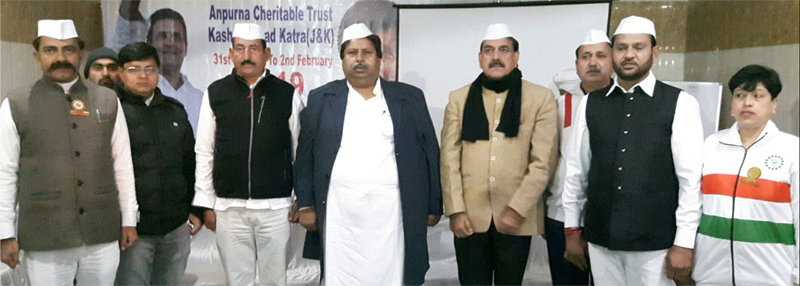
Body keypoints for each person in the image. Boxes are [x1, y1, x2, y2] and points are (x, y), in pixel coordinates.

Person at [295, 23, 442, 286]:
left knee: (394, 275)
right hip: (340, 212)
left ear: (378, 58)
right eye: (352, 53)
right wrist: (305, 204)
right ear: (342, 59)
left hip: (392, 212)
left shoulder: (408, 97)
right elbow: (305, 156)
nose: (359, 59)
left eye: (366, 53)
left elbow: (430, 151)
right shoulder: (321, 98)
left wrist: (434, 205)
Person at [562, 15, 704, 285]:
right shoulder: (592, 103)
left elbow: (691, 180)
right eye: (621, 48)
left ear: (655, 53)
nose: (629, 55)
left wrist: (684, 243)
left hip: (657, 246)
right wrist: (572, 231)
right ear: (612, 53)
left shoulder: (679, 103)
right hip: (601, 240)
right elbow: (576, 172)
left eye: (638, 47)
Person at [0, 19, 138, 285]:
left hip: (101, 231)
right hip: (45, 236)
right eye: (51, 50)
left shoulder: (108, 100)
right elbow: (4, 172)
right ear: (37, 56)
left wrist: (129, 218)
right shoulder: (15, 104)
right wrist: (5, 233)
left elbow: (123, 164)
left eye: (69, 50)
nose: (60, 58)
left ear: (81, 54)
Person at [440, 23, 558, 285]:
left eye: (504, 50)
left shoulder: (539, 98)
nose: (496, 57)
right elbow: (449, 158)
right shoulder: (459, 98)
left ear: (516, 57)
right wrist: (456, 211)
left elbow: (544, 161)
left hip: (517, 219)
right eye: (489, 50)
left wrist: (517, 209)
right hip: (469, 218)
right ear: (480, 58)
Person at [192, 23, 303, 286]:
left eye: (254, 48)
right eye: (240, 48)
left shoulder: (287, 94)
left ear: (267, 54)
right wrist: (206, 203)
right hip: (228, 208)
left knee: (274, 279)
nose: (247, 55)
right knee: (236, 280)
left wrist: (301, 196)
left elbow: (300, 150)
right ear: (231, 53)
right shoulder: (216, 93)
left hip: (276, 208)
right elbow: (204, 151)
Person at [692, 65, 799, 286]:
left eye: (757, 96)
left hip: (772, 277)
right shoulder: (711, 145)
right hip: (711, 275)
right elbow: (694, 205)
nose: (747, 103)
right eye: (740, 95)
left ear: (774, 105)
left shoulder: (792, 149)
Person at [113, 42, 205, 285]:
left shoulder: (174, 111)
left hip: (175, 226)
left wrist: (195, 209)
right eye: (134, 69)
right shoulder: (112, 112)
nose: (143, 76)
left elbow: (190, 164)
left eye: (150, 69)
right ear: (121, 73)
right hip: (134, 230)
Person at [545, 29, 613, 286]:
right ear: (577, 65)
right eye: (586, 56)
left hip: (610, 220)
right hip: (561, 218)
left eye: (600, 55)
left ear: (613, 62)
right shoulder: (558, 106)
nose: (593, 62)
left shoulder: (629, 104)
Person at [116, 1, 203, 134]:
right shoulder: (139, 93)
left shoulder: (201, 99)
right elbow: (127, 19)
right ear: (149, 44)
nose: (170, 43)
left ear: (186, 47)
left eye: (177, 37)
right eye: (162, 36)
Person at [339, 0, 397, 81]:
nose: (380, 64)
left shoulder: (413, 93)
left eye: (387, 54)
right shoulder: (322, 93)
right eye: (353, 52)